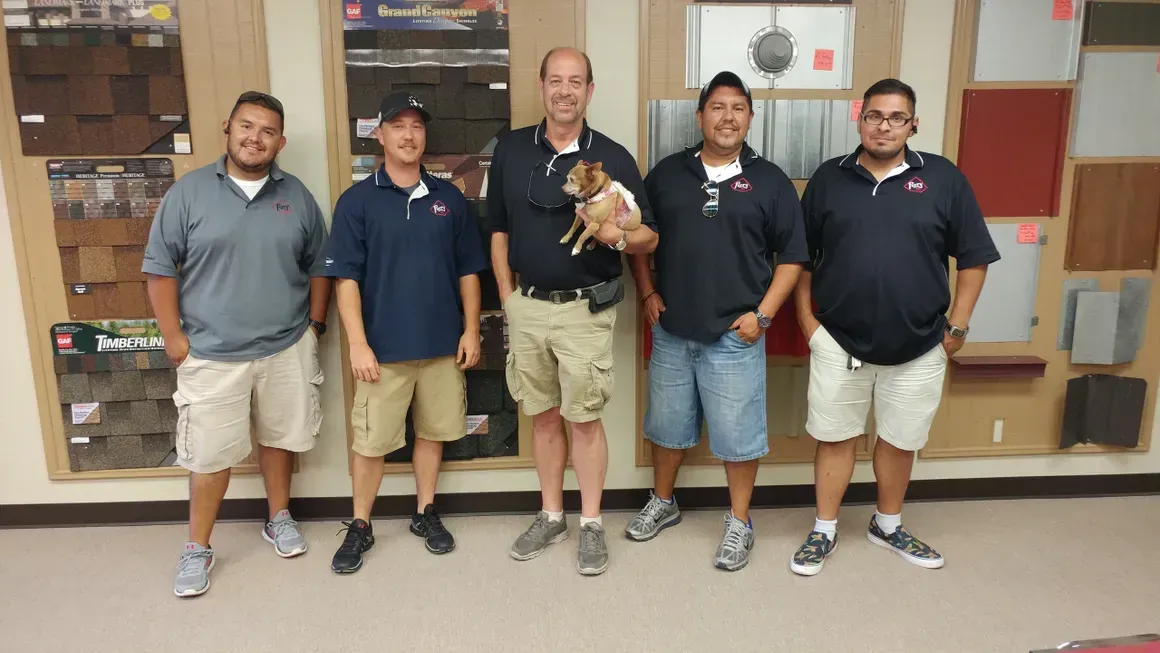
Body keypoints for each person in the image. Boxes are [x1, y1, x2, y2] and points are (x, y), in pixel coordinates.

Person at [789, 78, 999, 576]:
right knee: (836, 436)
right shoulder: (828, 178)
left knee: (901, 439)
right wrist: (807, 322)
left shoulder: (944, 179)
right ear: (859, 120)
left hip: (922, 342)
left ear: (913, 124)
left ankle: (888, 524)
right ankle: (824, 530)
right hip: (839, 339)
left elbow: (974, 259)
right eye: (875, 116)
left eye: (896, 118)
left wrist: (959, 325)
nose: (884, 126)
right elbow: (800, 258)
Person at [143, 91, 332, 598]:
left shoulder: (297, 195)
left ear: (281, 141)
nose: (255, 138)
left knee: (280, 441)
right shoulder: (189, 193)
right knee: (209, 457)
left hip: (286, 346)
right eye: (247, 127)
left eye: (267, 131)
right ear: (228, 128)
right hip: (210, 353)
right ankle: (197, 547)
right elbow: (160, 271)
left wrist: (314, 325)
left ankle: (278, 517)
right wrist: (174, 339)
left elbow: (320, 266)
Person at [626, 71, 808, 571]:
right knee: (666, 427)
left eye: (738, 108)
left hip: (736, 335)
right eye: (718, 107)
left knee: (738, 435)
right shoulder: (666, 174)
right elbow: (638, 235)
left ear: (750, 117)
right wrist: (647, 291)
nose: (728, 117)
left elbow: (792, 258)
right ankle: (663, 502)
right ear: (701, 114)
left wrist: (764, 316)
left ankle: (740, 521)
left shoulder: (770, 181)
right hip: (672, 329)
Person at [487, 46, 658, 576]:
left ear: (589, 90)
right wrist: (507, 299)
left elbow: (649, 237)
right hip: (529, 308)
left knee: (583, 419)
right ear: (541, 87)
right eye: (556, 80)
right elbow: (497, 230)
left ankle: (589, 524)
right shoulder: (512, 151)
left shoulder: (613, 156)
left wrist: (616, 236)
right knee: (541, 418)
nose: (565, 90)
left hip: (586, 310)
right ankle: (551, 514)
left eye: (576, 81)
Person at [324, 91, 488, 573]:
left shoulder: (449, 199)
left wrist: (472, 330)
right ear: (380, 134)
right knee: (371, 442)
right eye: (398, 125)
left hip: (441, 346)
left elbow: (468, 272)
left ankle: (424, 512)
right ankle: (360, 524)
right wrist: (357, 343)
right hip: (382, 349)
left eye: (416, 126)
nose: (409, 134)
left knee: (434, 433)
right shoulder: (356, 202)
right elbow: (345, 279)